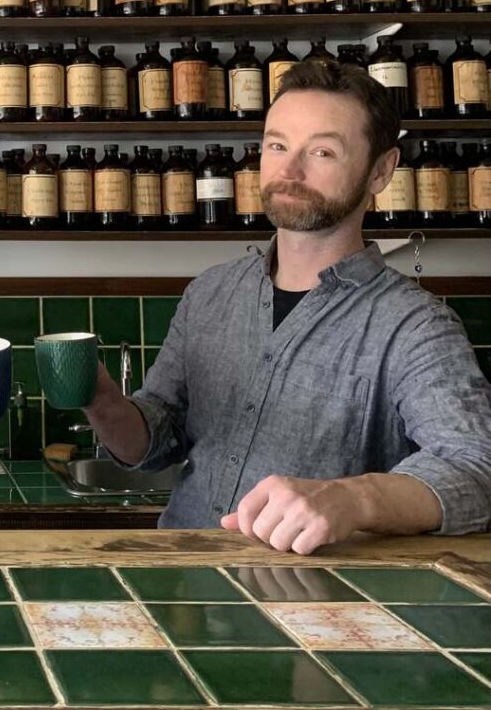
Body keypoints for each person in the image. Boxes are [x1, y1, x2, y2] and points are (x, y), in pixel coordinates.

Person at [85, 61, 491, 554]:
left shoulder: (414, 326)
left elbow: (477, 468)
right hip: (183, 579)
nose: (290, 170)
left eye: (322, 151)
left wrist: (353, 499)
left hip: (313, 604)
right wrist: (103, 402)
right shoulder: (210, 294)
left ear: (381, 170)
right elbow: (154, 444)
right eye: (277, 145)